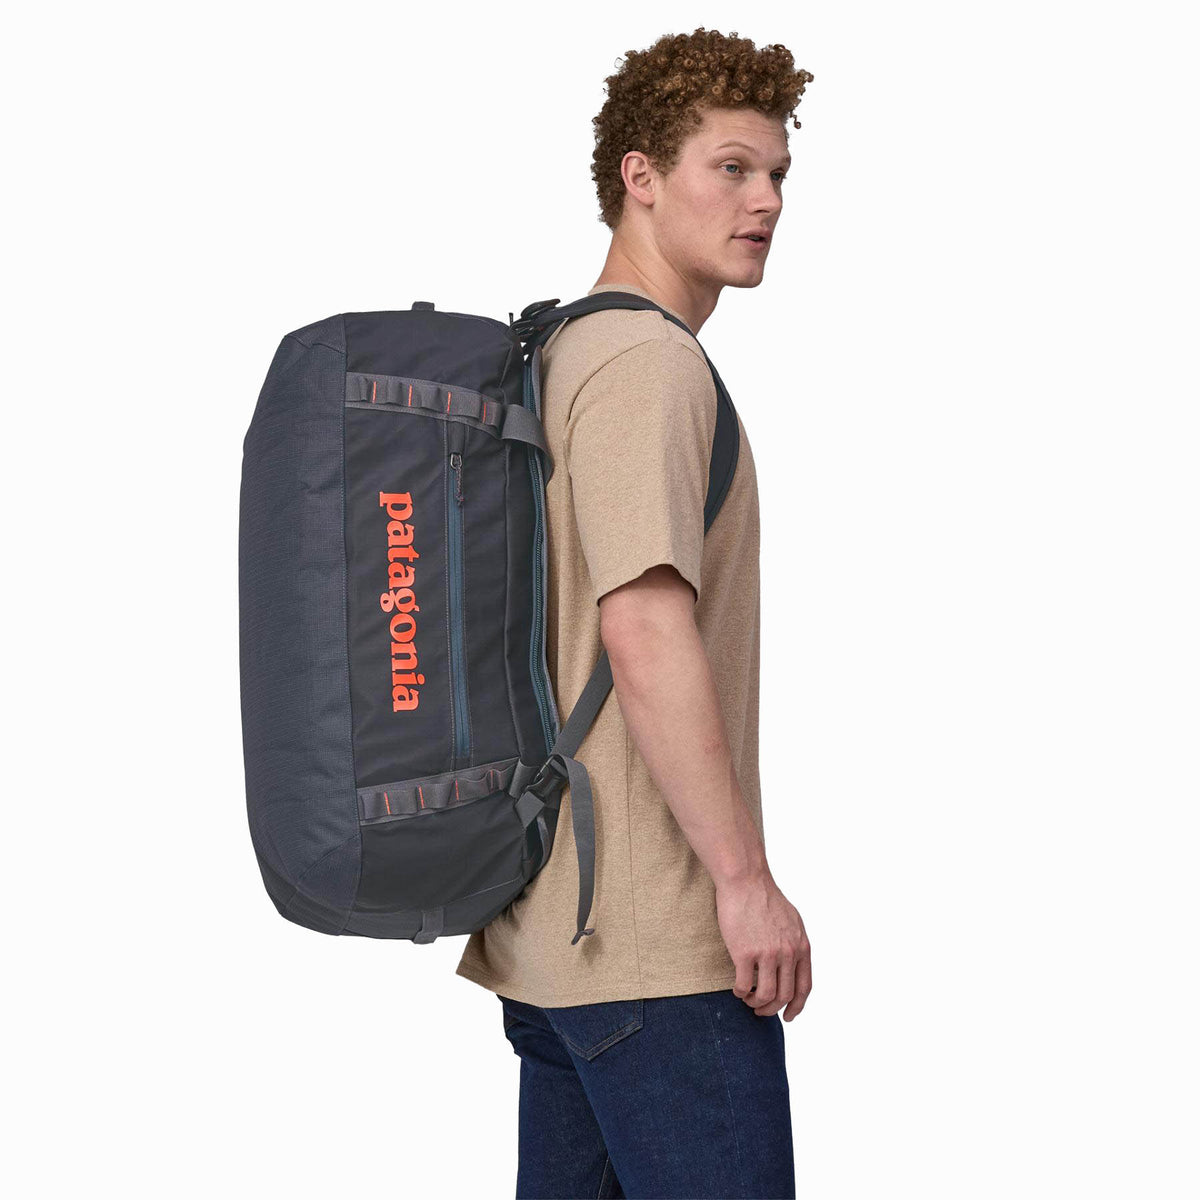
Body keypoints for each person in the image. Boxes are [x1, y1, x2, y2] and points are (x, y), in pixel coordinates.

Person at [455, 27, 815, 1199]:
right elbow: (643, 628)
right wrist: (743, 883)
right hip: (653, 955)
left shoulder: (561, 350)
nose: (766, 200)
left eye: (778, 173)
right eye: (732, 168)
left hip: (565, 945)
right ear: (641, 176)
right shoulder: (644, 365)